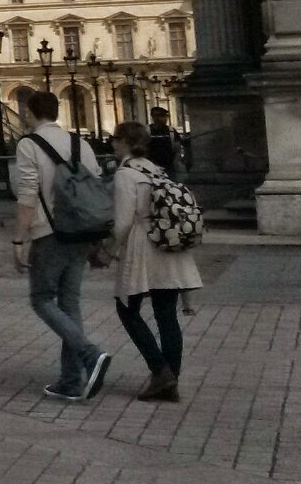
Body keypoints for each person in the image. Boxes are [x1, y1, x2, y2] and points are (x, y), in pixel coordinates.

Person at [13, 90, 111, 402]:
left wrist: (19, 237)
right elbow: (95, 185)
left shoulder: (29, 144)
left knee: (41, 299)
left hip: (49, 232)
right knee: (70, 303)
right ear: (57, 112)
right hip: (82, 231)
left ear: (30, 112)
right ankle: (71, 381)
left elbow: (28, 193)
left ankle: (89, 354)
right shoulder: (80, 144)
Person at [108, 121, 201, 403]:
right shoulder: (156, 169)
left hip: (142, 245)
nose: (112, 145)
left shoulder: (126, 175)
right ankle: (171, 378)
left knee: (127, 308)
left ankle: (160, 370)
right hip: (167, 241)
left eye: (115, 140)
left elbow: (124, 222)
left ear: (123, 141)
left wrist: (112, 248)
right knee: (166, 314)